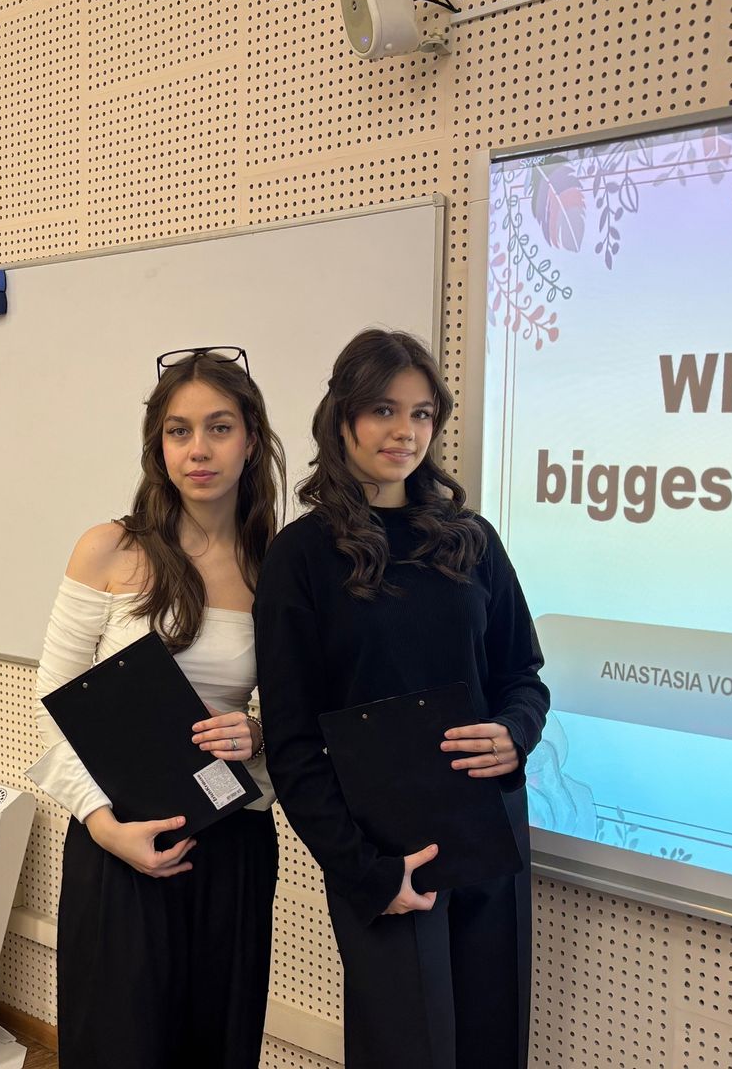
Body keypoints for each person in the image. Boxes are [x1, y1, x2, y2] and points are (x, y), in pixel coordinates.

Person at [253, 328, 549, 1069]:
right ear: (343, 417)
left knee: (491, 1044)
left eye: (421, 414)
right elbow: (293, 743)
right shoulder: (300, 556)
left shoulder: (471, 540)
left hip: (487, 832)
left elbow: (523, 676)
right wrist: (363, 870)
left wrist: (515, 732)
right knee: (406, 1051)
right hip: (385, 853)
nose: (405, 432)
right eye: (384, 410)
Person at [27, 347, 285, 1069]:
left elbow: (301, 712)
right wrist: (103, 826)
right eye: (179, 431)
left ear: (251, 440)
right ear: (158, 445)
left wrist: (257, 731)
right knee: (118, 1045)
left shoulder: (277, 563)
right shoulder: (108, 549)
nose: (198, 449)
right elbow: (53, 704)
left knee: (217, 1044)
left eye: (219, 428)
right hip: (117, 837)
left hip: (231, 840)